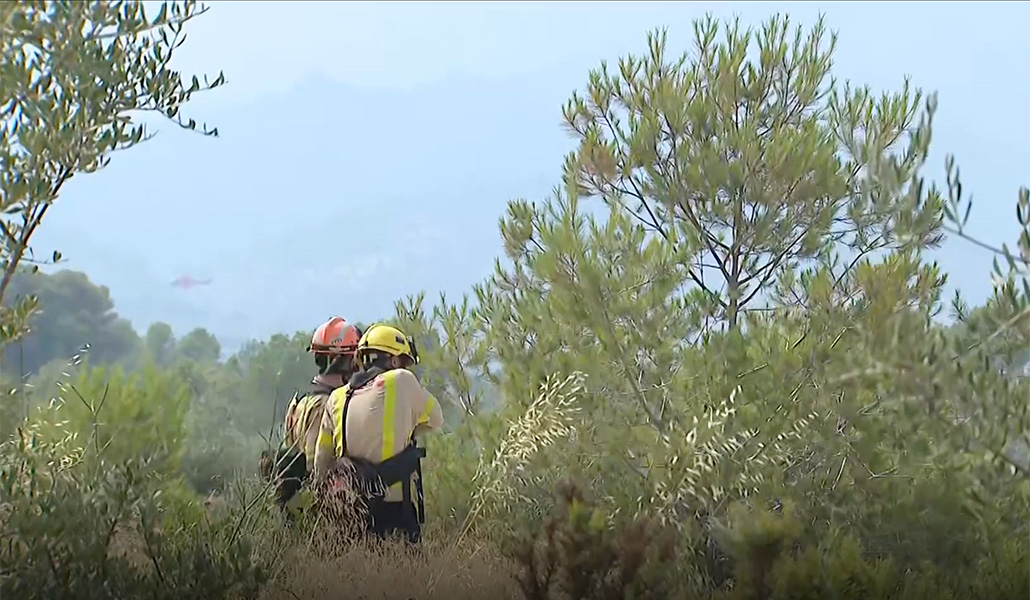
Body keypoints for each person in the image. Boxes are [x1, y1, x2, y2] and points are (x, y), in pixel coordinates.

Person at [313, 323, 444, 544]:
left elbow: (321, 461)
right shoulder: (401, 380)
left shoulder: (336, 397)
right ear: (394, 361)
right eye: (403, 361)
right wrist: (406, 426)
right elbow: (436, 418)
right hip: (394, 511)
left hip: (348, 513)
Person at [268, 316, 362, 520]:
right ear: (349, 362)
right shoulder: (326, 406)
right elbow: (317, 471)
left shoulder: (300, 401)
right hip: (316, 511)